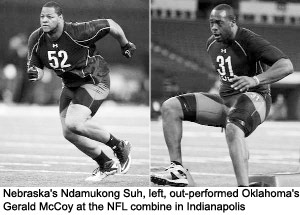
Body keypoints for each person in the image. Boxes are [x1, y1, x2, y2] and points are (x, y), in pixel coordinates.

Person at [151, 4, 293, 187]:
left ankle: (244, 190)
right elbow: (226, 78)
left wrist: (255, 80)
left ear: (233, 22)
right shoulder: (211, 43)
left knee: (233, 127)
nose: (214, 27)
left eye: (219, 22)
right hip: (227, 104)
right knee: (170, 107)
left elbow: (287, 65)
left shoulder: (248, 40)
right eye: (211, 23)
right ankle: (177, 169)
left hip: (255, 98)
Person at [27, 1, 136, 182]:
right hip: (70, 85)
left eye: (49, 16)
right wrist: (34, 73)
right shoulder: (36, 39)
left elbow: (110, 24)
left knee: (75, 123)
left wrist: (125, 44)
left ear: (60, 18)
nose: (44, 20)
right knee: (68, 132)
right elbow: (37, 70)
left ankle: (119, 146)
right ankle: (106, 163)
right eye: (42, 16)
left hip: (94, 79)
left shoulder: (78, 32)